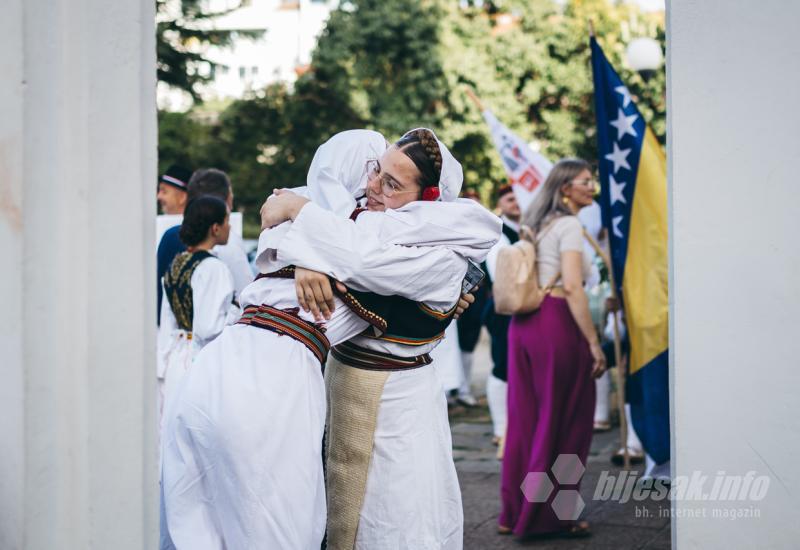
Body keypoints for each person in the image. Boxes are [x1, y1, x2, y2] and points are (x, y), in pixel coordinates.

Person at [159, 129, 500, 550]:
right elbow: (284, 216)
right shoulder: (357, 219)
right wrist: (307, 250)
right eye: (376, 170)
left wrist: (304, 229)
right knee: (291, 507)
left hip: (397, 397)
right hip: (316, 379)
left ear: (429, 198)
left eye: (392, 184)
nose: (372, 186)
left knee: (395, 513)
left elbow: (363, 257)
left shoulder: (439, 256)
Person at [499, 158, 606, 539]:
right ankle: (556, 515)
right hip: (557, 324)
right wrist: (594, 342)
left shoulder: (537, 224)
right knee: (568, 422)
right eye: (586, 181)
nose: (592, 186)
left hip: (524, 325)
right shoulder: (570, 226)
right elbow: (574, 288)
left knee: (526, 421)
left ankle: (514, 511)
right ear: (565, 188)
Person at [157, 196, 238, 429]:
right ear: (215, 228)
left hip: (176, 356)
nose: (229, 226)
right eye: (226, 220)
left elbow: (167, 319)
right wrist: (236, 312)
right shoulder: (214, 268)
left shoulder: (177, 263)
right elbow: (208, 328)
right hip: (200, 361)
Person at [483, 183, 521, 455]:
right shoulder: (498, 232)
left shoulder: (531, 228)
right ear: (501, 203)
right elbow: (501, 274)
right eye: (510, 198)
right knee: (502, 366)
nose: (516, 202)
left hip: (527, 307)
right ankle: (500, 430)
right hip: (503, 309)